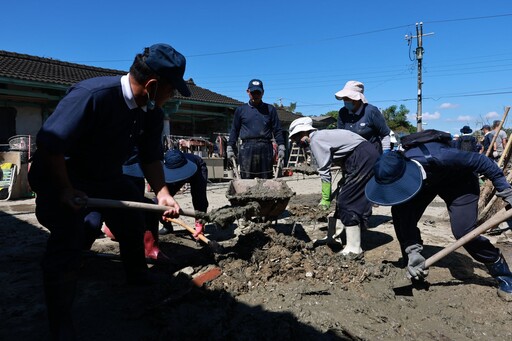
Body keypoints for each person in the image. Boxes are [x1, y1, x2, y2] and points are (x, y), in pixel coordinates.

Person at [27, 43, 191, 339]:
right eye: (172, 89)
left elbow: (150, 156)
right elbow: (50, 146)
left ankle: (137, 276)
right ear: (152, 85)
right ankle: (61, 321)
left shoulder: (150, 110)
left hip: (104, 176)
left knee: (131, 219)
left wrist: (163, 193)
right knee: (73, 234)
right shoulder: (92, 96)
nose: (173, 95)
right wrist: (65, 190)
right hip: (59, 176)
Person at [365, 137, 512, 301]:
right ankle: (414, 263)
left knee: (464, 231)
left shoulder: (441, 156)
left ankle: (503, 275)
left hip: (459, 182)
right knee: (400, 213)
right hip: (426, 183)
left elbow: (482, 161)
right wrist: (412, 250)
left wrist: (506, 191)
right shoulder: (400, 169)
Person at [289, 117, 379, 257]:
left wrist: (325, 198)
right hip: (360, 156)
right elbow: (344, 152)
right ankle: (333, 237)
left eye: (296, 138)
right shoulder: (322, 136)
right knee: (342, 195)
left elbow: (324, 171)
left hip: (363, 157)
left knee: (347, 200)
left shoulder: (316, 140)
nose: (296, 142)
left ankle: (354, 248)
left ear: (304, 133)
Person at [227, 79, 286, 179]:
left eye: (258, 92)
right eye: (253, 92)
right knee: (247, 179)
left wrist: (281, 146)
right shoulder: (241, 110)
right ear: (248, 92)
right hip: (247, 148)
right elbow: (234, 130)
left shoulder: (270, 109)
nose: (255, 95)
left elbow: (277, 129)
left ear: (263, 92)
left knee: (265, 178)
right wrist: (230, 146)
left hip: (265, 147)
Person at [335, 80, 391, 153]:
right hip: (351, 156)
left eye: (348, 98)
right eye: (344, 98)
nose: (345, 101)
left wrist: (386, 153)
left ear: (357, 99)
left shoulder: (371, 111)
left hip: (372, 155)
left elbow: (384, 134)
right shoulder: (343, 112)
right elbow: (341, 135)